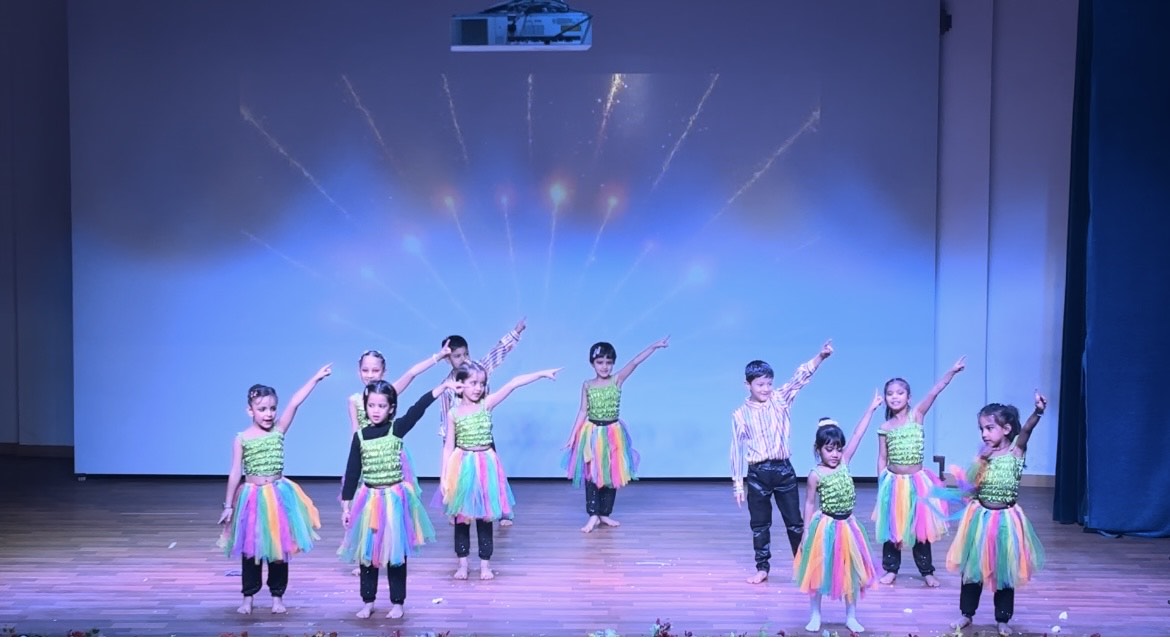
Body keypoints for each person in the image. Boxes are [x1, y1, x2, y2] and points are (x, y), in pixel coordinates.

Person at [217, 364, 332, 614]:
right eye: (262, 409)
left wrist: (315, 378)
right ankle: (248, 597)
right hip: (252, 497)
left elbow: (295, 403)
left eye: (272, 408)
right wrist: (228, 505)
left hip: (278, 496)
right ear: (250, 410)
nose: (268, 414)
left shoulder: (279, 430)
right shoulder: (242, 438)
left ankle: (277, 596)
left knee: (279, 549)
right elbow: (235, 472)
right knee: (251, 549)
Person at [338, 378, 457, 619]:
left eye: (381, 406)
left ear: (391, 408)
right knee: (367, 554)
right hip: (369, 500)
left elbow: (417, 409)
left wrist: (442, 387)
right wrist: (346, 506)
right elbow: (352, 472)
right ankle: (368, 601)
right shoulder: (360, 436)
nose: (376, 410)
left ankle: (397, 602)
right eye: (371, 405)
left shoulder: (397, 429)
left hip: (393, 500)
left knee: (396, 554)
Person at [441, 362, 560, 580]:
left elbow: (513, 383)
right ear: (461, 384)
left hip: (485, 464)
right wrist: (444, 475)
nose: (478, 388)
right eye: (473, 383)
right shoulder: (454, 413)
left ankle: (485, 565)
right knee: (462, 519)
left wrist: (542, 373)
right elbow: (449, 446)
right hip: (463, 465)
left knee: (485, 518)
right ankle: (463, 564)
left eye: (482, 383)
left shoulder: (486, 404)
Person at [730, 340, 833, 584]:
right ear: (747, 385)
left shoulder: (780, 399)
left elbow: (800, 377)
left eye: (769, 383)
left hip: (783, 470)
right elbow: (736, 449)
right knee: (760, 524)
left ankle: (803, 565)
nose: (766, 389)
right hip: (757, 473)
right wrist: (737, 484)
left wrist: (820, 357)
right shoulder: (740, 414)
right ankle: (762, 567)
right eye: (760, 384)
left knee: (794, 523)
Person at [947, 392, 1048, 636]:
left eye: (989, 428)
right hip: (980, 519)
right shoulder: (984, 455)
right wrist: (979, 462)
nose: (984, 433)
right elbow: (971, 485)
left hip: (1005, 520)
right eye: (981, 428)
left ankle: (1002, 618)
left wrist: (1038, 412)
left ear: (1006, 429)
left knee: (1004, 570)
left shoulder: (1016, 451)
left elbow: (1026, 430)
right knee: (972, 570)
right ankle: (966, 613)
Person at [793, 391, 882, 633]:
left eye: (838, 449)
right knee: (818, 571)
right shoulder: (815, 475)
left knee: (850, 571)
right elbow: (809, 504)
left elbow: (858, 434)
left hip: (848, 527)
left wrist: (871, 408)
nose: (835, 454)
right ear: (818, 449)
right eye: (829, 449)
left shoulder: (844, 463)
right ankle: (815, 615)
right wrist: (805, 532)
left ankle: (851, 616)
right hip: (826, 528)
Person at [873, 356, 967, 587]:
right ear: (885, 399)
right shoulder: (885, 427)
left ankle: (926, 571)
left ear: (909, 397)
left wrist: (951, 372)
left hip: (917, 482)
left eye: (900, 393)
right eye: (890, 393)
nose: (895, 397)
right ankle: (891, 569)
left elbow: (935, 391)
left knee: (920, 528)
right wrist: (882, 482)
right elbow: (882, 457)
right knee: (893, 528)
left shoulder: (917, 416)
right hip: (894, 483)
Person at [562, 336, 669, 532]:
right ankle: (593, 514)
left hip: (613, 434)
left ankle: (605, 513)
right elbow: (583, 411)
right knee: (592, 475)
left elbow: (635, 362)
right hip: (592, 434)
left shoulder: (617, 380)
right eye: (600, 362)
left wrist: (653, 346)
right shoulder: (587, 385)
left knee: (611, 474)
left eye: (608, 362)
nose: (604, 367)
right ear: (592, 363)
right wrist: (572, 436)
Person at [436, 319, 527, 525]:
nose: (463, 359)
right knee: (463, 478)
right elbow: (446, 421)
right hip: (462, 440)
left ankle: (501, 511)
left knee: (491, 474)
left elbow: (498, 352)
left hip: (482, 432)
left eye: (465, 354)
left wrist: (516, 332)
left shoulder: (479, 368)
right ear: (447, 359)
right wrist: (448, 452)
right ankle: (459, 509)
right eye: (457, 356)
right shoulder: (446, 387)